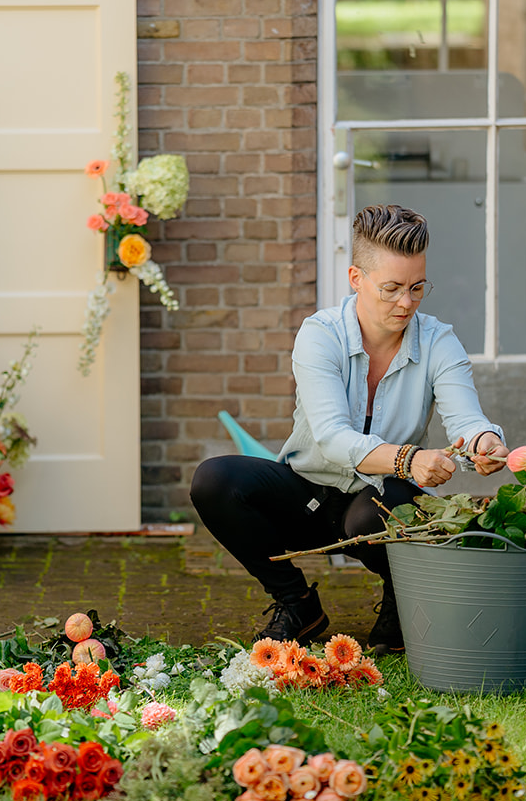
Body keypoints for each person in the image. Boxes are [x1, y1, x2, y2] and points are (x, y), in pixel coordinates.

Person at [191, 204, 509, 654]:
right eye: (392, 288)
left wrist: (484, 443)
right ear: (356, 278)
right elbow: (332, 437)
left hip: (378, 501)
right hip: (308, 493)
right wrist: (409, 458)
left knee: (372, 511)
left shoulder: (439, 340)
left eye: (418, 288)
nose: (407, 303)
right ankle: (296, 602)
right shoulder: (320, 335)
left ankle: (402, 600)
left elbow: (466, 419)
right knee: (214, 480)